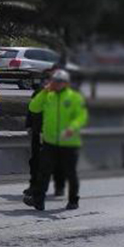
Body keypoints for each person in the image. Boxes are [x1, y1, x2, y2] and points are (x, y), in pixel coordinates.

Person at [25, 69, 88, 211]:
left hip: (69, 142)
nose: (57, 84)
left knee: (70, 172)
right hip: (50, 141)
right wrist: (44, 92)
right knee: (44, 171)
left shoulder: (74, 97)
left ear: (66, 83)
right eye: (54, 81)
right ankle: (38, 200)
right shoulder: (48, 96)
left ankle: (73, 200)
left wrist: (72, 128)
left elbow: (81, 116)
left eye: (60, 82)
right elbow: (33, 108)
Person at [23, 69, 65, 200]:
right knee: (35, 160)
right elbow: (31, 109)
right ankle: (34, 186)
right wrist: (29, 125)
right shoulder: (40, 92)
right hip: (38, 131)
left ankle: (59, 185)